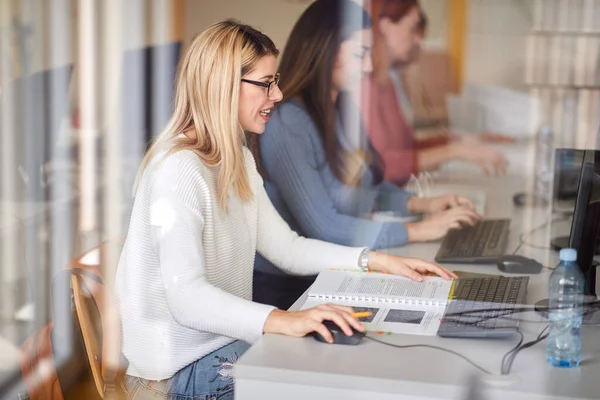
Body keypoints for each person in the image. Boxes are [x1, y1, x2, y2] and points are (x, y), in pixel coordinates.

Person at [115, 19, 456, 400]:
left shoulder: (237, 160)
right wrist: (283, 319)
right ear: (223, 85)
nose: (277, 95)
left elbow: (288, 249)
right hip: (175, 374)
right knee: (323, 382)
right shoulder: (178, 168)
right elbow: (187, 297)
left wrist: (377, 261)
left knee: (336, 365)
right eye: (265, 83)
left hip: (218, 348)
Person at [252, 0, 478, 310]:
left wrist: (423, 204)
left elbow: (367, 185)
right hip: (288, 287)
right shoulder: (288, 122)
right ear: (325, 50)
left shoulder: (341, 107)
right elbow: (325, 226)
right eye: (361, 55)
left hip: (333, 270)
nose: (370, 67)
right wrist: (419, 229)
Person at [363, 0, 510, 185]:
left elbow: (408, 150)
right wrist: (454, 151)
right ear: (385, 25)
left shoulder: (386, 84)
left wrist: (462, 142)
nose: (418, 40)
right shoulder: (365, 85)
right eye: (412, 28)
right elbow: (382, 166)